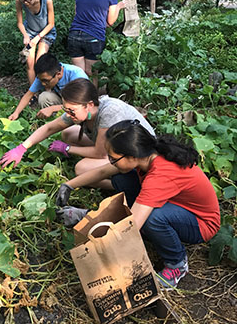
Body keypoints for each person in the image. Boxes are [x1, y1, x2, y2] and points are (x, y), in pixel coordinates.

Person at [58, 119, 220, 290]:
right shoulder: (146, 154)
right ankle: (155, 230)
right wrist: (69, 185)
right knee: (121, 177)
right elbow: (103, 171)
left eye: (113, 158)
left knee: (153, 219)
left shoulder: (160, 175)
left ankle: (177, 264)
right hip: (175, 205)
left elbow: (130, 226)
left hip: (201, 223)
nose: (111, 162)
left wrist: (89, 227)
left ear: (131, 156)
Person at [0, 79, 154, 179]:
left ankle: (118, 186)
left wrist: (67, 148)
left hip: (136, 155)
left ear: (89, 105)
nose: (68, 114)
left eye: (71, 110)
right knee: (67, 132)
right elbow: (50, 128)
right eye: (66, 109)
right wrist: (22, 147)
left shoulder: (109, 112)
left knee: (81, 169)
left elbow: (99, 153)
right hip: (114, 146)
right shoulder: (82, 111)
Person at [68, 0, 126, 87]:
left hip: (74, 35)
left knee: (79, 75)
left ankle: (77, 102)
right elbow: (110, 22)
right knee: (91, 74)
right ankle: (92, 102)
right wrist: (119, 7)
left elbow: (76, 12)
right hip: (93, 38)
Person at [8, 53, 88, 121]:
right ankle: (51, 123)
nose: (43, 84)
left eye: (46, 81)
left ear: (58, 74)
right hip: (64, 102)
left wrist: (52, 108)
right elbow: (29, 94)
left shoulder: (76, 75)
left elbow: (82, 104)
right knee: (44, 97)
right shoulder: (45, 75)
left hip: (80, 106)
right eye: (40, 80)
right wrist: (16, 113)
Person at [16, 0, 56, 86]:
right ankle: (33, 92)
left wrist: (37, 38)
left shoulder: (47, 0)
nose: (25, 2)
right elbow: (19, 22)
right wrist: (25, 36)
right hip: (30, 31)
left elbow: (51, 24)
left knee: (39, 62)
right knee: (29, 63)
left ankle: (46, 88)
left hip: (46, 33)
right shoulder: (19, 1)